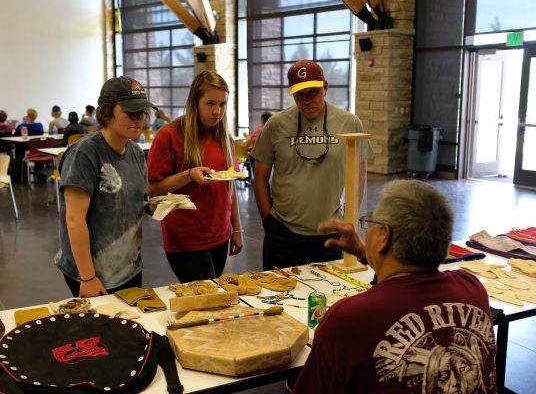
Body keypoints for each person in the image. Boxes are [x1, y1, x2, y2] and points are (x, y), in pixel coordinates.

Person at [291, 179, 497, 394]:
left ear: (384, 236)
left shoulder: (350, 318)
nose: (366, 231)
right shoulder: (471, 289)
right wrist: (365, 252)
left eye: (370, 224)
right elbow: (404, 276)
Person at [251, 59, 371, 270]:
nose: (307, 101)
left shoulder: (349, 123)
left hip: (329, 232)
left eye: (312, 93)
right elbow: (260, 176)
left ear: (325, 88)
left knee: (329, 294)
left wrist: (349, 220)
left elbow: (359, 175)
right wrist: (268, 221)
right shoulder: (276, 125)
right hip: (283, 230)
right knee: (280, 296)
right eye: (300, 95)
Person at [54, 76, 155, 297]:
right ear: (107, 112)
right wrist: (88, 277)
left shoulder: (136, 153)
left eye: (142, 113)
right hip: (93, 272)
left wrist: (151, 205)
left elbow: (131, 198)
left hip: (128, 266)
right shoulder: (85, 153)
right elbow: (74, 220)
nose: (138, 119)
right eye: (130, 112)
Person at [147, 71, 243, 283]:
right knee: (206, 300)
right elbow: (152, 188)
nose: (217, 111)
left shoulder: (223, 136)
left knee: (212, 296)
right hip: (186, 238)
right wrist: (189, 175)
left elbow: (230, 186)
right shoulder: (169, 135)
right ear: (194, 102)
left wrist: (236, 228)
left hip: (220, 235)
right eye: (210, 103)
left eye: (223, 104)